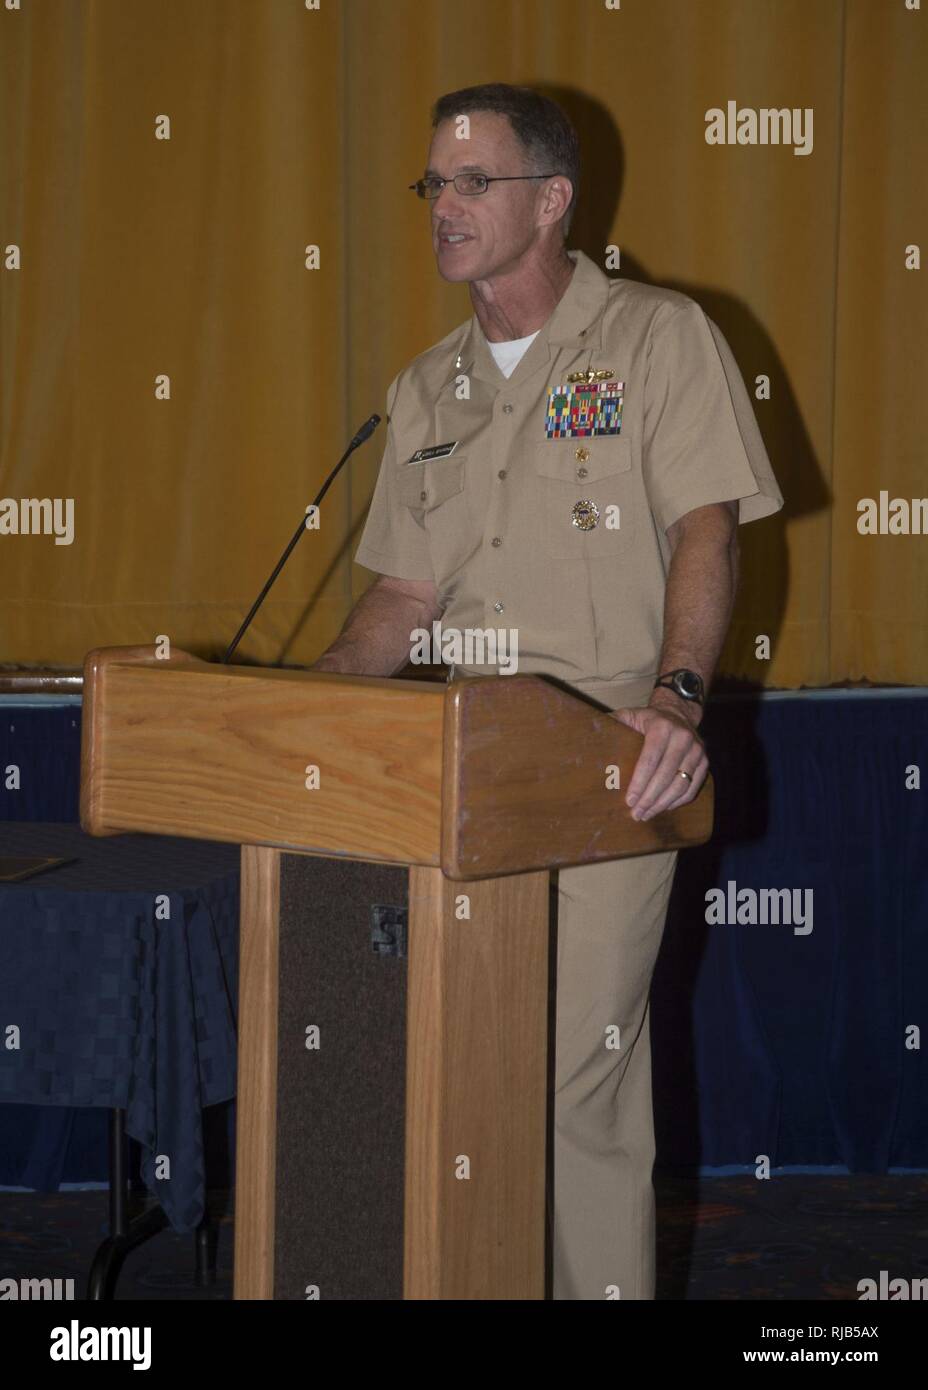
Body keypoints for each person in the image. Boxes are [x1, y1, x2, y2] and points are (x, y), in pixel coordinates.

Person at [311, 82, 783, 1299]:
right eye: (434, 185)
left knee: (573, 1071)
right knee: (464, 1074)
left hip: (607, 765)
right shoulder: (426, 392)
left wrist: (678, 697)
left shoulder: (657, 338)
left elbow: (705, 537)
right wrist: (304, 718)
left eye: (474, 181)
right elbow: (402, 602)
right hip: (459, 774)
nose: (444, 207)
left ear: (552, 199)